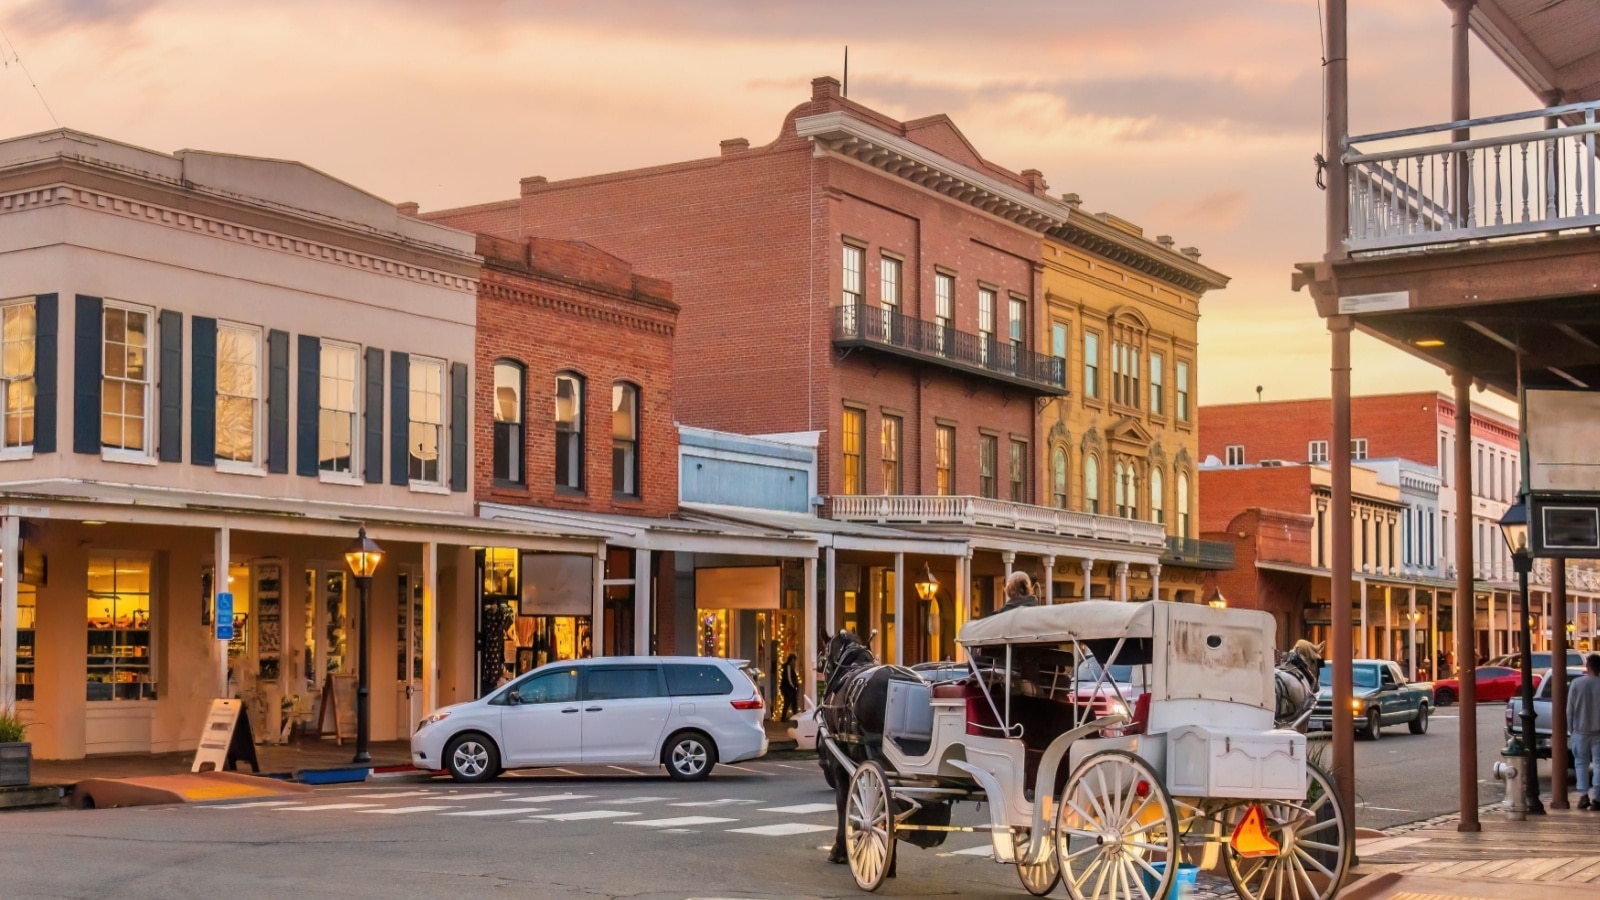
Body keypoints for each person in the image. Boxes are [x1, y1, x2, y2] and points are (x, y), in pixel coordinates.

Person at [1569, 653, 1600, 809]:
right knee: (1599, 764)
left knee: (1580, 763)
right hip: (1599, 732)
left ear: (1587, 667)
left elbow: (1570, 710)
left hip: (1580, 731)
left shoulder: (1576, 683)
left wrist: (1571, 730)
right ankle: (1597, 798)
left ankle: (1583, 796)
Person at [780, 653, 801, 720]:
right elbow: (789, 679)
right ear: (792, 660)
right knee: (788, 702)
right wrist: (793, 686)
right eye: (794, 660)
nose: (795, 662)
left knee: (791, 702)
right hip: (788, 689)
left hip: (789, 688)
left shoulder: (790, 667)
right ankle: (784, 718)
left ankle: (794, 716)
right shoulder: (788, 667)